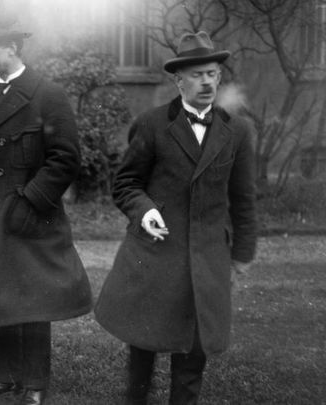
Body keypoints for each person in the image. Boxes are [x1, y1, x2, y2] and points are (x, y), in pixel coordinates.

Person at [94, 31, 257, 405]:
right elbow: (126, 184)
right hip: (155, 255)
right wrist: (145, 210)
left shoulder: (238, 131)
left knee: (193, 352)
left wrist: (243, 253)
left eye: (212, 74)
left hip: (206, 259)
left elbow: (244, 199)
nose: (206, 82)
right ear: (178, 80)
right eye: (197, 75)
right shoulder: (151, 125)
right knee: (143, 346)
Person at [0, 12, 93, 405]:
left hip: (28, 217)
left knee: (32, 302)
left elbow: (64, 159)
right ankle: (5, 378)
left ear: (11, 47)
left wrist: (30, 200)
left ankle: (36, 384)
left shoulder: (48, 95)